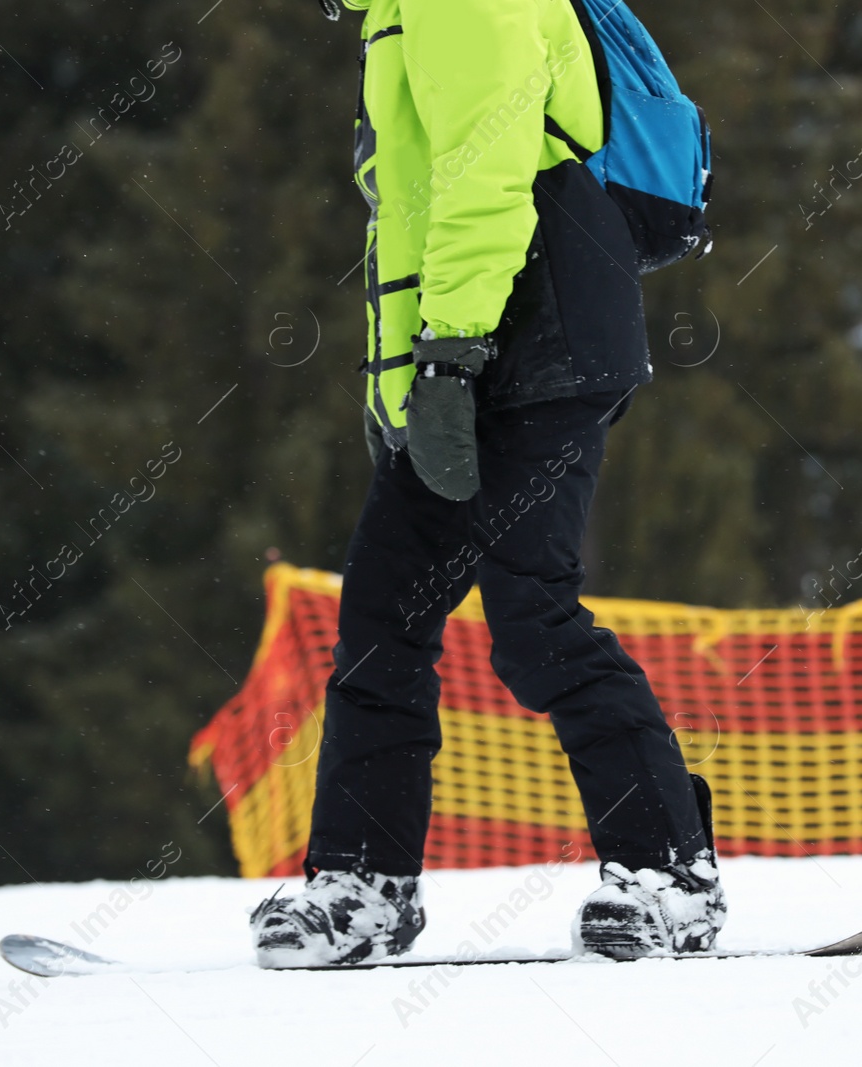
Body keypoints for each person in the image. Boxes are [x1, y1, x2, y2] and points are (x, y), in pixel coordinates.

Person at [249, 0, 726, 966]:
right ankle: (362, 885)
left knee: (531, 616)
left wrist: (450, 357)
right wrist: (404, 385)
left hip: (538, 329)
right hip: (484, 338)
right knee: (383, 617)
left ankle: (671, 873)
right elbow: (416, 212)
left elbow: (485, 178)